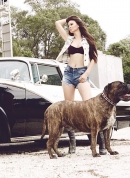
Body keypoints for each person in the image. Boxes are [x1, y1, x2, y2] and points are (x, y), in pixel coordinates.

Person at [55, 15, 98, 154]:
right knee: (68, 110)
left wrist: (85, 74)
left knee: (89, 108)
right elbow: (57, 23)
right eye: (68, 25)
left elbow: (94, 59)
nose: (69, 27)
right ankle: (72, 144)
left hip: (82, 74)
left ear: (78, 24)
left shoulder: (88, 41)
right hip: (68, 74)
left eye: (72, 24)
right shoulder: (69, 39)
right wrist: (68, 18)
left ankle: (99, 143)